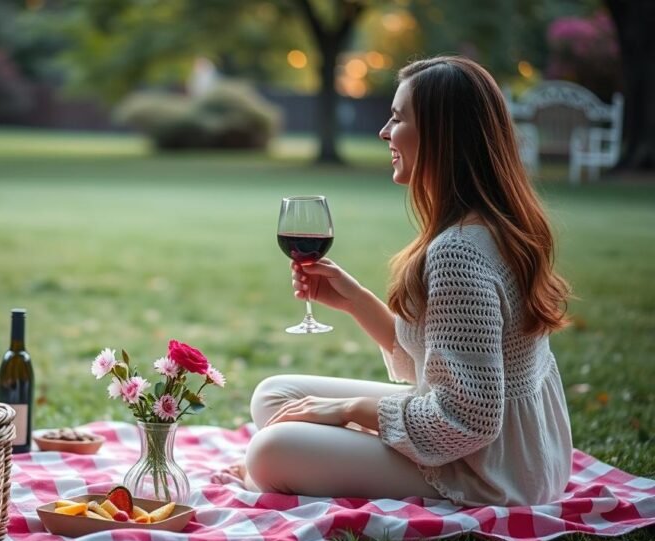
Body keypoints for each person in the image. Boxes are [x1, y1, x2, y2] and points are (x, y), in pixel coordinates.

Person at [213, 56, 573, 507]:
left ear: (442, 137)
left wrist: (348, 411)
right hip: (529, 455)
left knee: (269, 451)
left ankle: (274, 470)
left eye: (399, 118)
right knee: (276, 396)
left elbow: (469, 419)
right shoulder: (492, 226)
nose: (384, 131)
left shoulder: (457, 251)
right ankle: (306, 456)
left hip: (493, 473)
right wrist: (355, 301)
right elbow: (442, 363)